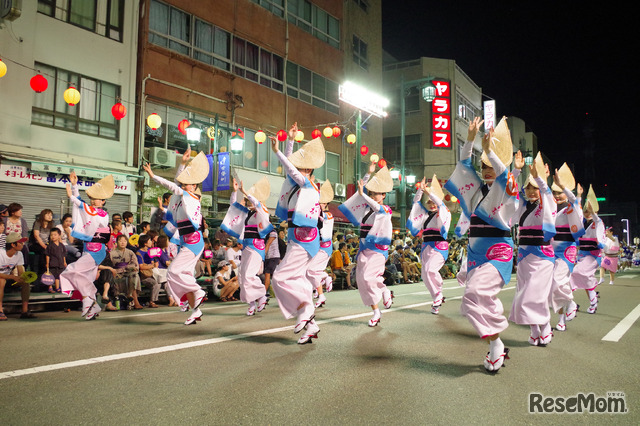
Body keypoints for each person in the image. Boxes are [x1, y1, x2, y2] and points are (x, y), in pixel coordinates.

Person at [444, 117, 519, 372]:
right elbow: (463, 164)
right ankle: (496, 343)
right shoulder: (475, 191)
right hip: (476, 252)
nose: (486, 169)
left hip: (498, 250)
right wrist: (470, 139)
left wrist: (488, 150)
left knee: (476, 293)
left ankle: (497, 344)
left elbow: (504, 175)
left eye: (490, 165)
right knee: (470, 301)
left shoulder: (506, 185)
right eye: (483, 165)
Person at [271, 123, 324, 344]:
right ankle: (310, 325)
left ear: (309, 170)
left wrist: (277, 151)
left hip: (306, 238)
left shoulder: (308, 183)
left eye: (301, 168)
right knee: (295, 277)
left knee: (280, 277)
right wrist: (290, 140)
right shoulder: (297, 184)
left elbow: (291, 168)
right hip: (297, 237)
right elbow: (291, 167)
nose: (295, 170)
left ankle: (306, 309)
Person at [143, 146, 208, 325]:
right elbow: (177, 184)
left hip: (193, 242)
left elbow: (173, 185)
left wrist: (153, 176)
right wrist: (182, 163)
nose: (182, 185)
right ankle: (196, 310)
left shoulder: (190, 197)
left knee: (173, 272)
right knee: (183, 274)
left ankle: (198, 292)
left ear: (194, 186)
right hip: (187, 242)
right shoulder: (181, 196)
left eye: (187, 183)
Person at [508, 153, 557, 347]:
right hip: (524, 256)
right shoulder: (521, 206)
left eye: (534, 188)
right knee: (523, 293)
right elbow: (507, 194)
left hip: (543, 256)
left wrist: (539, 178)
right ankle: (534, 330)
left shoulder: (546, 203)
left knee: (534, 294)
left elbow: (546, 193)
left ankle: (545, 325)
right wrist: (515, 170)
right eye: (528, 188)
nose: (531, 191)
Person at [339, 162, 394, 327]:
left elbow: (372, 202)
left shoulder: (385, 210)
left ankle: (383, 291)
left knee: (368, 278)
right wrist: (368, 174)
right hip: (364, 249)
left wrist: (365, 194)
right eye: (372, 193)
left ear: (383, 195)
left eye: (377, 193)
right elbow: (360, 191)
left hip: (377, 250)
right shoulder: (365, 208)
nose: (374, 195)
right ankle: (376, 311)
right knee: (362, 280)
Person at [59, 172, 114, 320]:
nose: (94, 201)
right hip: (88, 249)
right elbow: (82, 206)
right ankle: (92, 307)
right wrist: (75, 185)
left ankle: (90, 301)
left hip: (97, 250)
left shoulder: (102, 214)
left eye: (97, 199)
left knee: (72, 271)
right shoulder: (91, 210)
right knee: (84, 277)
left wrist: (71, 196)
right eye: (92, 198)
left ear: (103, 201)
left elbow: (84, 208)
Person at [221, 177, 273, 315]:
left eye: (251, 199)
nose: (249, 202)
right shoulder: (248, 214)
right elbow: (233, 208)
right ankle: (251, 303)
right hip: (246, 247)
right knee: (243, 276)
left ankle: (261, 295)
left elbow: (258, 205)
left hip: (256, 247)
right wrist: (235, 191)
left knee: (249, 275)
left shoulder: (263, 211)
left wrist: (245, 191)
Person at [406, 174, 451, 314]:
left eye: (433, 202)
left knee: (431, 270)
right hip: (427, 247)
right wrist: (420, 190)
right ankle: (436, 300)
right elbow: (415, 203)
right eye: (429, 202)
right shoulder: (425, 215)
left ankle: (438, 293)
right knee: (425, 274)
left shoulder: (444, 212)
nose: (431, 205)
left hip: (439, 247)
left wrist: (429, 192)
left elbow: (441, 205)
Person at [548, 164, 583, 332]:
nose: (557, 195)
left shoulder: (572, 208)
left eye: (560, 192)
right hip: (549, 251)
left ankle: (565, 313)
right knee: (555, 286)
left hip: (567, 251)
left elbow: (575, 200)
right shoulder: (549, 209)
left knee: (557, 282)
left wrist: (563, 186)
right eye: (554, 192)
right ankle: (568, 307)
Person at [569, 185, 605, 314]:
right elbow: (576, 211)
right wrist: (578, 196)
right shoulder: (581, 224)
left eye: (590, 211)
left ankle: (571, 303)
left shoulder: (598, 222)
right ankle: (593, 301)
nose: (587, 214)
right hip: (582, 256)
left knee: (577, 273)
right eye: (586, 212)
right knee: (584, 279)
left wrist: (593, 212)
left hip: (593, 256)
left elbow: (596, 219)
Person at [307, 181, 335, 309]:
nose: (321, 205)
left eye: (323, 203)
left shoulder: (328, 215)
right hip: (318, 247)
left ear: (327, 204)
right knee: (309, 271)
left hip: (325, 248)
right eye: (319, 203)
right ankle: (323, 284)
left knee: (311, 270)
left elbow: (320, 217)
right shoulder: (319, 214)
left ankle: (322, 289)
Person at [0, 233, 37, 320]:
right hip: (3, 279)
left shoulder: (19, 254)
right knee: (1, 280)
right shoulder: (0, 253)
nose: (23, 244)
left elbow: (21, 271)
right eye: (20, 242)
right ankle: (0, 311)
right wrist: (13, 277)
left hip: (9, 280)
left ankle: (24, 311)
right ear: (13, 244)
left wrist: (24, 277)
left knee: (25, 282)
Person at [109, 234, 140, 309]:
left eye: (125, 241)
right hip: (117, 273)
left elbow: (135, 264)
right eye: (120, 241)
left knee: (134, 275)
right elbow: (109, 265)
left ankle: (133, 299)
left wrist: (129, 268)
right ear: (117, 242)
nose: (123, 242)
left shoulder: (130, 252)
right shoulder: (112, 253)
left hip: (128, 272)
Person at [135, 234, 161, 309]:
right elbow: (141, 267)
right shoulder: (139, 253)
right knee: (155, 284)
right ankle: (152, 301)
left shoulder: (150, 251)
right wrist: (151, 266)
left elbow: (153, 262)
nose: (151, 242)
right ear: (145, 243)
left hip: (152, 273)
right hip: (144, 276)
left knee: (160, 283)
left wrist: (153, 264)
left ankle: (153, 301)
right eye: (149, 240)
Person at [31, 208, 55, 276]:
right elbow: (36, 236)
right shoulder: (37, 222)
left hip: (46, 244)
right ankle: (41, 273)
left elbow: (53, 235)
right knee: (43, 251)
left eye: (51, 215)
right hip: (36, 244)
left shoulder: (52, 223)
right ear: (43, 215)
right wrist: (44, 246)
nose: (50, 216)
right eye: (47, 214)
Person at [45, 228, 66, 293]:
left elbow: (63, 255)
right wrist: (47, 263)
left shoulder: (61, 245)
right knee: (51, 276)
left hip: (60, 263)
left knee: (58, 276)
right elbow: (47, 254)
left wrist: (64, 262)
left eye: (55, 235)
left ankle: (57, 287)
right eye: (51, 235)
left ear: (59, 236)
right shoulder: (49, 245)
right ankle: (50, 287)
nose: (53, 236)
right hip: (52, 263)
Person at [263, 228, 280, 299]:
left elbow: (268, 244)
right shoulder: (264, 233)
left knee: (267, 274)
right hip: (268, 257)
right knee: (274, 276)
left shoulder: (273, 232)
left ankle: (263, 295)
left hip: (273, 257)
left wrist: (262, 256)